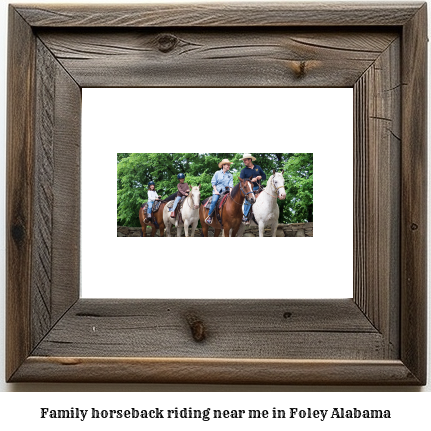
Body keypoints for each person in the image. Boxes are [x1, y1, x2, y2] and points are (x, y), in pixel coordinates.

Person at [239, 153, 266, 224]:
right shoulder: (243, 170)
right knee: (248, 200)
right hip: (249, 189)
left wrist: (260, 177)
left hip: (259, 188)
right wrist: (251, 180)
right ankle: (245, 217)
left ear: (250, 160)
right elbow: (242, 181)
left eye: (245, 160)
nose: (244, 161)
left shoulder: (258, 167)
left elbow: (264, 176)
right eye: (243, 160)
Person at [205, 159, 233, 225]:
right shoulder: (217, 173)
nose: (229, 166)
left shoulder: (230, 175)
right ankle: (210, 217)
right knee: (214, 201)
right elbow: (213, 183)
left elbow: (231, 186)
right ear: (223, 165)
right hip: (217, 191)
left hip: (226, 192)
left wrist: (231, 193)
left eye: (229, 165)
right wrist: (216, 191)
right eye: (227, 165)